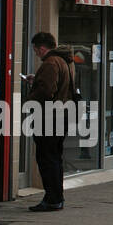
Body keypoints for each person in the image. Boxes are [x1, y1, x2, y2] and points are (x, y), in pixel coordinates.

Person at [27, 32, 76, 212]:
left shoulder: (50, 63)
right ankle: (56, 197)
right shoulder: (65, 62)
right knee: (55, 158)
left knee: (46, 158)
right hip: (61, 116)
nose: (36, 54)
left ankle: (52, 199)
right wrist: (37, 81)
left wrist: (30, 98)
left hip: (49, 117)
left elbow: (46, 91)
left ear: (42, 47)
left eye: (36, 50)